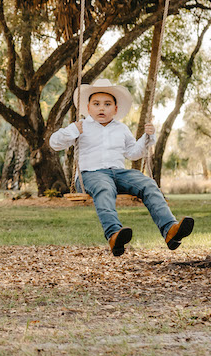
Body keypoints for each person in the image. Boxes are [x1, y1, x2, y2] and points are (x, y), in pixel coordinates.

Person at [49, 78, 194, 257]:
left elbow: (133, 153)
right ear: (88, 108)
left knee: (148, 184)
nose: (102, 108)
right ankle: (114, 235)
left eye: (107, 104)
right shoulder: (81, 126)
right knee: (104, 187)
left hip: (119, 173)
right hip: (90, 175)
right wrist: (73, 131)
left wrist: (147, 137)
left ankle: (170, 230)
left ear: (115, 109)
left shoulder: (121, 128)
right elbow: (54, 143)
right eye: (96, 104)